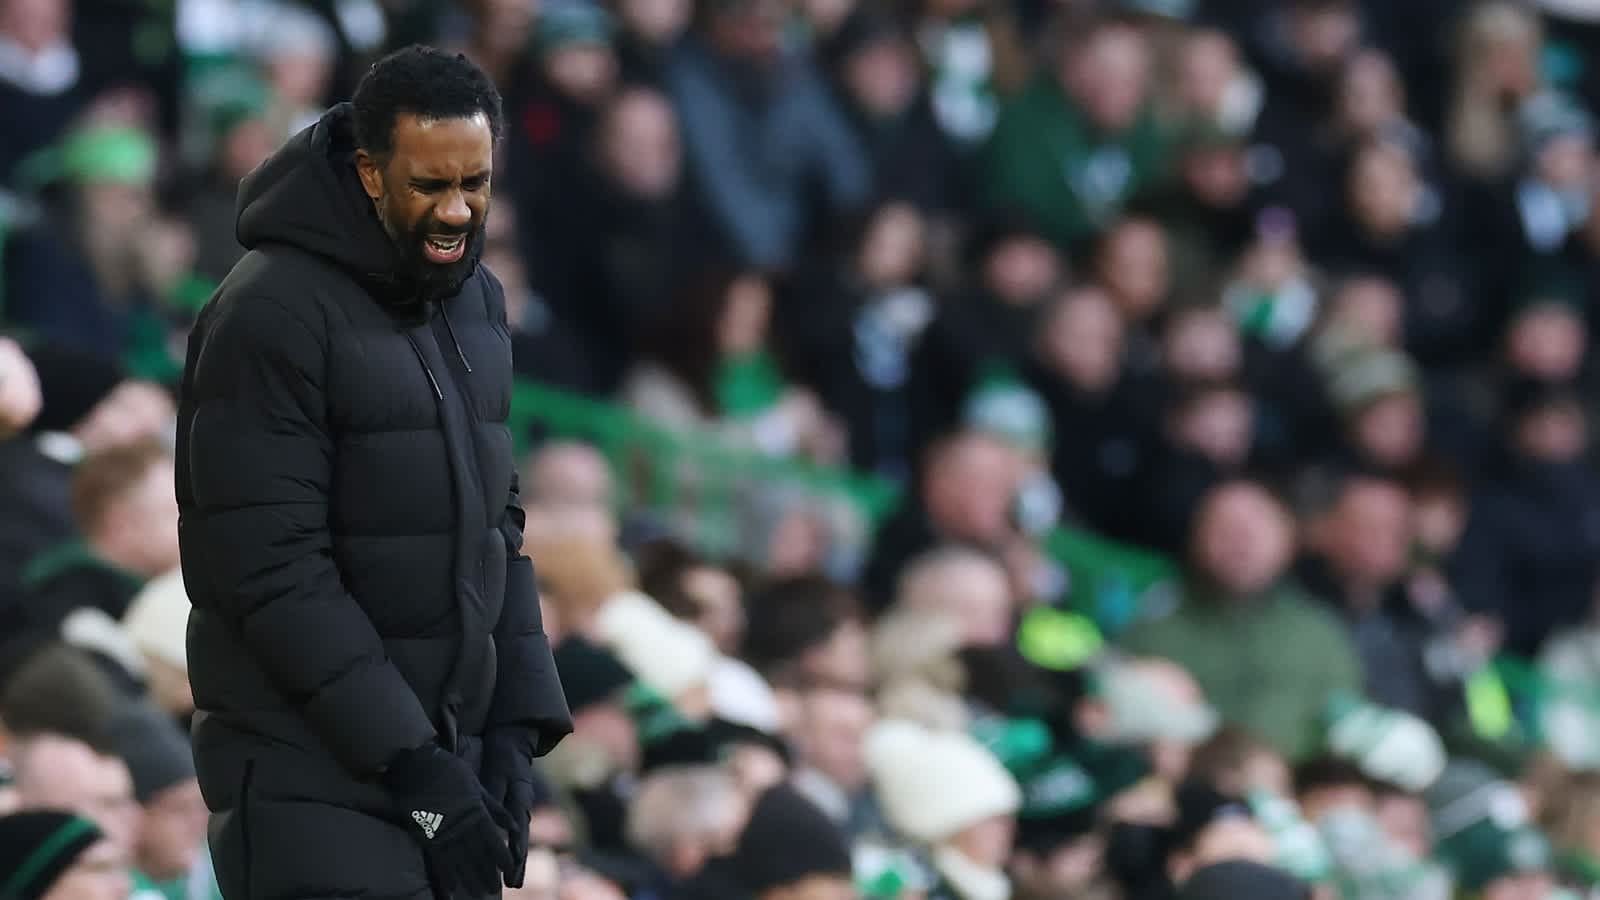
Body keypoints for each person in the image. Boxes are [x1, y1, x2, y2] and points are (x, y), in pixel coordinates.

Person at [173, 45, 573, 900]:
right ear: (367, 172)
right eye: (429, 185)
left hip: (446, 771)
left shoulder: (476, 300)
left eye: (475, 183)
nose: (457, 210)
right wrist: (414, 767)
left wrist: (513, 731)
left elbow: (497, 528)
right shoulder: (269, 310)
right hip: (310, 781)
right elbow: (270, 572)